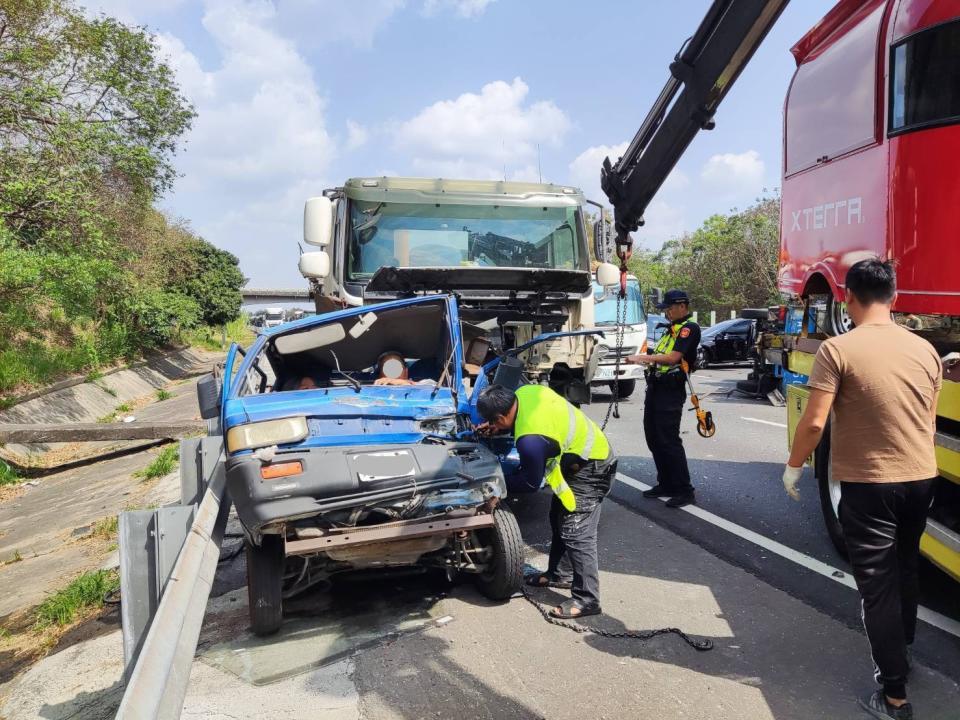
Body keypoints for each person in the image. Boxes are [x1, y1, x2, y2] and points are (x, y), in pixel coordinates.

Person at [783, 259, 941, 720]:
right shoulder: (925, 350)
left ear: (847, 297)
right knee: (906, 565)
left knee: (877, 587)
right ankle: (904, 652)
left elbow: (814, 423)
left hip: (869, 484)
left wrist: (794, 468)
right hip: (920, 478)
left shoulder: (838, 349)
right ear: (894, 297)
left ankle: (893, 696)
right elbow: (928, 423)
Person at [475, 383, 617, 619]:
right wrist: (499, 429)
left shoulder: (529, 440)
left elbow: (530, 483)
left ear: (500, 416)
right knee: (559, 518)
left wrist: (495, 486)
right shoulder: (523, 392)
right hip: (579, 458)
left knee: (577, 532)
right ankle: (560, 574)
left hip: (593, 465)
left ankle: (588, 599)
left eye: (494, 421)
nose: (494, 425)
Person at [625, 289, 701, 508]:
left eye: (669, 308)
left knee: (668, 440)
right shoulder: (670, 330)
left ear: (682, 307)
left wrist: (641, 357)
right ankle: (666, 483)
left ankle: (684, 490)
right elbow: (660, 355)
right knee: (653, 437)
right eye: (665, 308)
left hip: (671, 391)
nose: (667, 312)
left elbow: (672, 358)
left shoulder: (689, 329)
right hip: (656, 388)